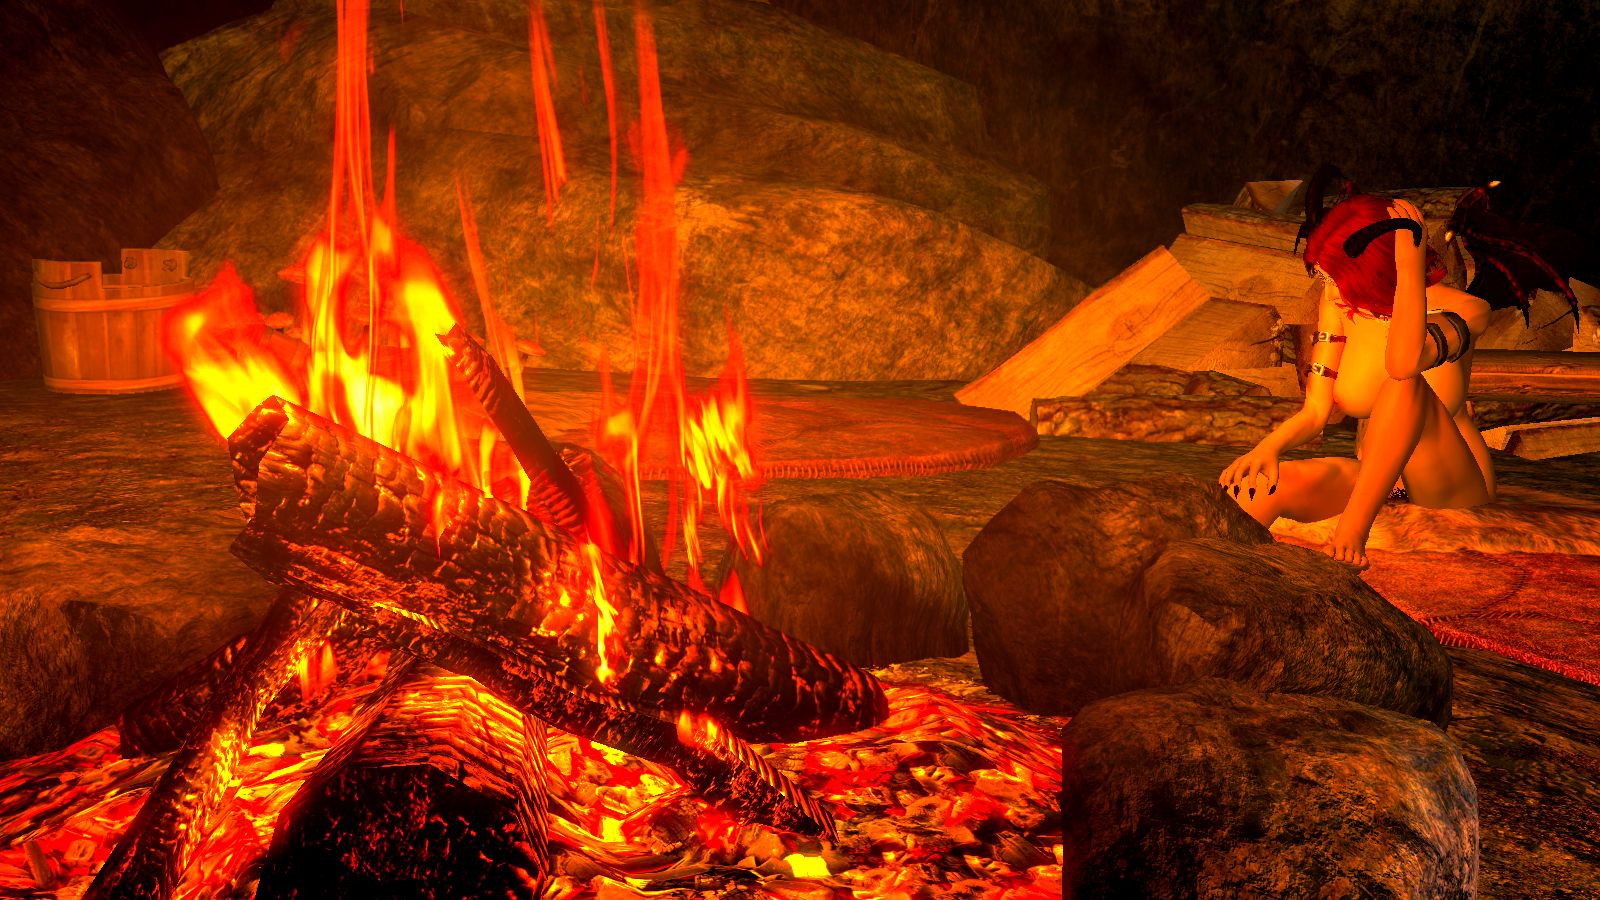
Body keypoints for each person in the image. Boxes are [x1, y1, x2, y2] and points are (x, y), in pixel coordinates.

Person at [1219, 188, 1495, 569]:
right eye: (1326, 278)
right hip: (1377, 481)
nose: (1330, 290)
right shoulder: (1338, 303)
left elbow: (1404, 364)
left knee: (1403, 385)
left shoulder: (1467, 311)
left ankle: (1352, 530)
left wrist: (1409, 270)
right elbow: (1316, 411)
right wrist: (1268, 448)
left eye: (1336, 278)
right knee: (1261, 486)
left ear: (1377, 269)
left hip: (1451, 484)